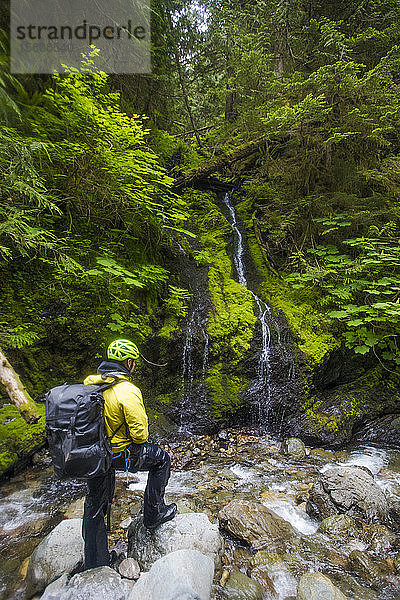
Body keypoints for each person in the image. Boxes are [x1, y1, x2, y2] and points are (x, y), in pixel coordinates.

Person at [82, 338, 177, 569]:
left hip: (95, 454)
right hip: (119, 453)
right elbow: (140, 436)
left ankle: (95, 561)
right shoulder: (127, 390)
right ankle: (154, 513)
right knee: (162, 460)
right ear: (128, 362)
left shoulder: (89, 384)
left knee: (95, 502)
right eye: (132, 361)